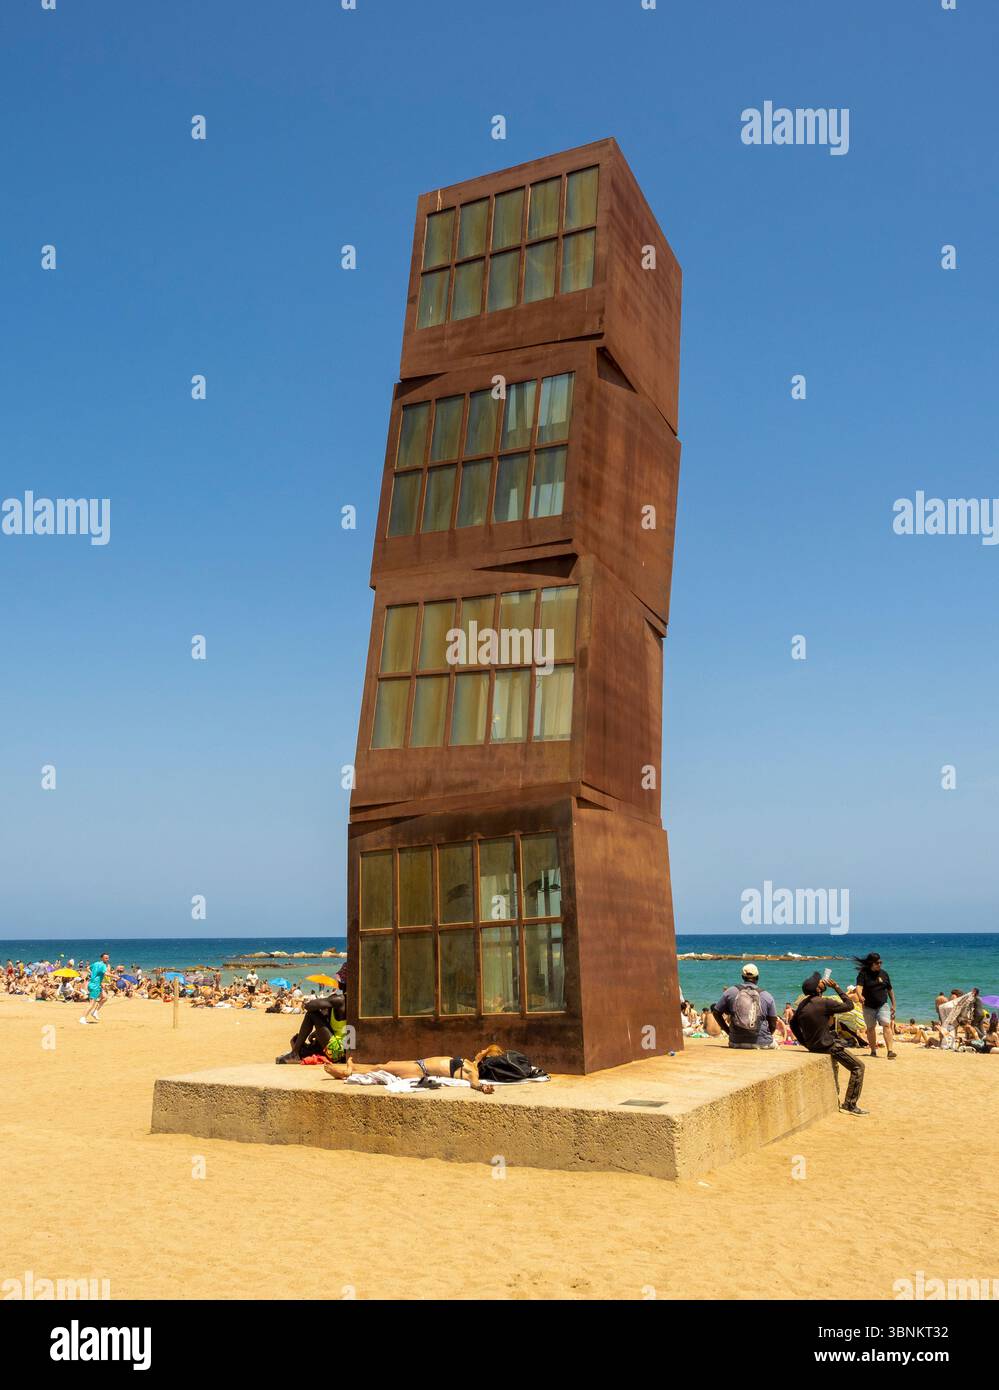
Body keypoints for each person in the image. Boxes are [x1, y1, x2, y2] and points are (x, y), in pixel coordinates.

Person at [791, 972, 868, 1114]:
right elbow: (849, 1005)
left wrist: (805, 1042)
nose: (822, 982)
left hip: (814, 1045)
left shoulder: (802, 1005)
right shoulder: (824, 1002)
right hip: (828, 1045)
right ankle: (850, 1105)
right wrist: (837, 988)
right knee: (858, 1067)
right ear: (818, 989)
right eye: (820, 982)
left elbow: (793, 1024)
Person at [323, 1051, 495, 1094]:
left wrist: (482, 1088)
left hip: (419, 1069)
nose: (480, 1050)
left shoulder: (472, 1071)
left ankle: (347, 1072)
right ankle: (351, 1069)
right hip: (419, 1067)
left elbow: (475, 1083)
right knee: (385, 1065)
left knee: (383, 1067)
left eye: (485, 1051)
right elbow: (479, 1057)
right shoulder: (472, 1063)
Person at [711, 963, 778, 1048]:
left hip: (735, 1042)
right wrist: (764, 1037)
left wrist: (728, 1031)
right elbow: (773, 1023)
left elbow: (716, 1012)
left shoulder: (730, 991)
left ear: (742, 977)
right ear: (757, 977)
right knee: (776, 1045)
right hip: (762, 1043)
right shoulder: (767, 995)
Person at [276, 986, 348, 1064]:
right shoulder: (348, 1000)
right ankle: (298, 1052)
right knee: (296, 1040)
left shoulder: (340, 1000)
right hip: (342, 1051)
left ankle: (294, 1054)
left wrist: (322, 1001)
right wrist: (315, 1033)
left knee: (311, 1014)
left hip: (338, 1053)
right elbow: (334, 1029)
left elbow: (309, 1006)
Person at [854, 952, 897, 1059]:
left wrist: (894, 1004)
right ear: (871, 964)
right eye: (877, 963)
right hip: (868, 1006)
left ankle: (890, 1051)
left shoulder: (884, 974)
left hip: (882, 1004)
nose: (880, 964)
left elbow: (890, 990)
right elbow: (859, 986)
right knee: (870, 1028)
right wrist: (860, 996)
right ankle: (873, 1051)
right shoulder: (863, 974)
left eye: (880, 962)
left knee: (886, 1025)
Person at [80, 952, 110, 1025]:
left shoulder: (96, 963)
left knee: (105, 997)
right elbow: (106, 974)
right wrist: (116, 977)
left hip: (95, 985)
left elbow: (87, 968)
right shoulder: (103, 965)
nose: (107, 959)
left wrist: (92, 973)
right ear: (102, 958)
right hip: (95, 986)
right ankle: (82, 1018)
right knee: (91, 1004)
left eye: (108, 958)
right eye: (106, 958)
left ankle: (95, 1012)